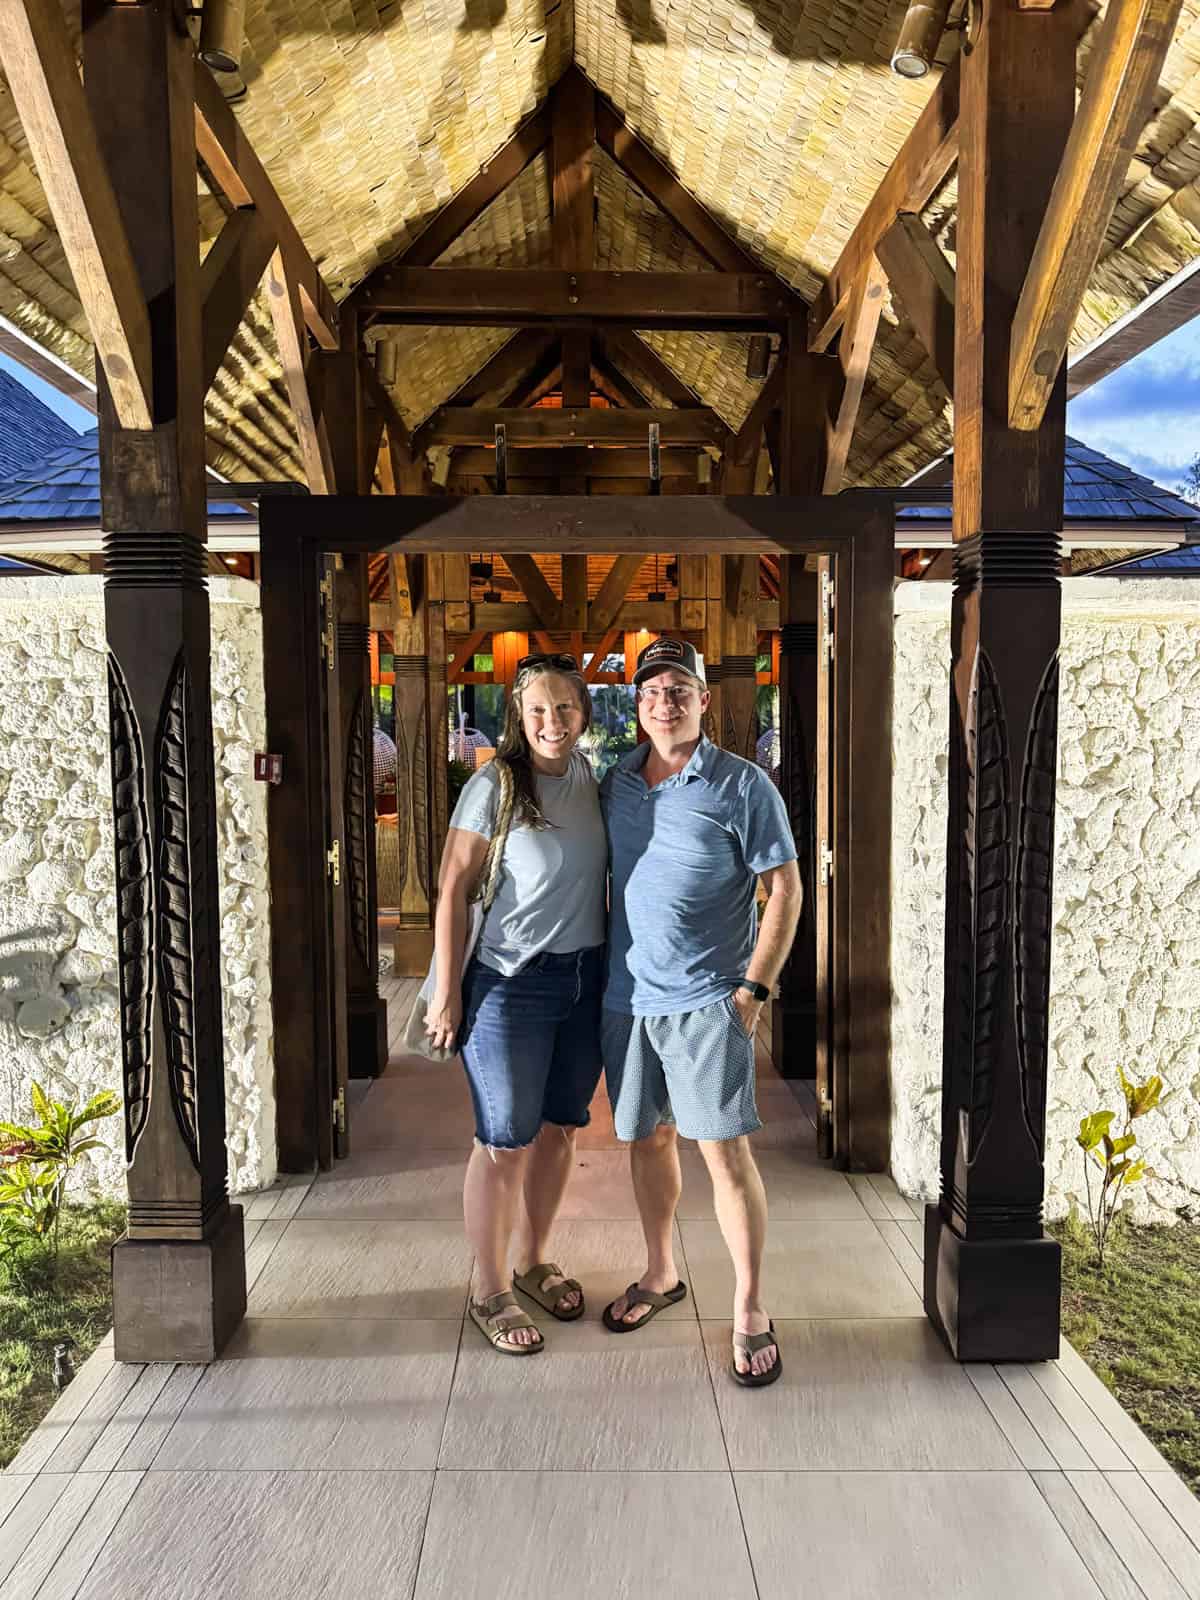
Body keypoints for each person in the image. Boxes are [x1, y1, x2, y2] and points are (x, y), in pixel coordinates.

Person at [600, 636, 802, 1387]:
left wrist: (754, 989)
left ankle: (750, 1306)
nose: (665, 700)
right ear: (638, 704)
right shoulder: (617, 779)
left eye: (679, 687)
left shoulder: (743, 784)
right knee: (648, 1141)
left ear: (704, 699)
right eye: (651, 690)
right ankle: (660, 1275)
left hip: (708, 1000)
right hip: (627, 1001)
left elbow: (785, 888)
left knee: (723, 1153)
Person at [426, 653, 607, 1356]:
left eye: (564, 709)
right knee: (503, 1142)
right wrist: (445, 989)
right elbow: (451, 887)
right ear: (517, 716)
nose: (552, 722)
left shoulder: (594, 780)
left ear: (584, 713)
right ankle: (489, 1287)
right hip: (510, 984)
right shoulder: (495, 784)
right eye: (537, 710)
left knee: (561, 1126)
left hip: (586, 980)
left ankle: (532, 1261)